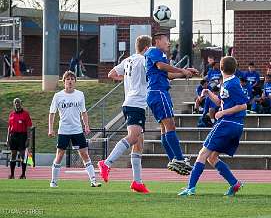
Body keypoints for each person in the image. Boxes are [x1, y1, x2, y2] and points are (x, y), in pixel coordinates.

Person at [178, 56, 248, 196]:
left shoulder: (233, 83)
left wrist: (222, 113)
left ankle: (190, 187)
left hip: (228, 123)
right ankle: (234, 183)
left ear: (221, 68)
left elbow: (243, 105)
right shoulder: (227, 82)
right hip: (233, 125)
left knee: (203, 154)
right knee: (212, 157)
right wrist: (208, 93)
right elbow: (220, 102)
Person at [97, 35, 152, 193]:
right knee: (134, 137)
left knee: (138, 143)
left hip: (130, 102)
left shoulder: (127, 60)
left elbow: (111, 74)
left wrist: (127, 80)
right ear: (147, 48)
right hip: (136, 103)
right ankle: (106, 163)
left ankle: (137, 182)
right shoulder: (143, 60)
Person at [145, 32, 198, 176]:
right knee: (170, 126)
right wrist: (182, 70)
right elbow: (162, 67)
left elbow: (167, 74)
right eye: (166, 40)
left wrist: (184, 72)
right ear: (157, 41)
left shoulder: (158, 54)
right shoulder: (154, 52)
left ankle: (174, 160)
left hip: (158, 93)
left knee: (164, 128)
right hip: (158, 92)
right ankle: (179, 159)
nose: (168, 43)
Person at [48, 71, 101, 188]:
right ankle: (53, 181)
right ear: (64, 82)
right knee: (60, 155)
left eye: (72, 79)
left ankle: (93, 181)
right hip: (64, 130)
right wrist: (50, 129)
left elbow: (83, 112)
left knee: (84, 154)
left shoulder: (80, 94)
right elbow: (52, 113)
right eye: (68, 79)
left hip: (77, 130)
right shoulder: (58, 96)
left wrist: (86, 125)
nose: (70, 81)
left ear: (75, 82)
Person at [6, 98, 32, 179]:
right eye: (15, 102)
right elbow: (9, 127)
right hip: (13, 136)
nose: (17, 104)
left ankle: (23, 174)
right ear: (14, 104)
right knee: (13, 154)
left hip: (22, 136)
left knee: (22, 155)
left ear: (21, 103)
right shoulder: (11, 114)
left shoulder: (26, 114)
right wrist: (7, 138)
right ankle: (12, 174)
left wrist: (28, 139)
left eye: (18, 102)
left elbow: (28, 127)